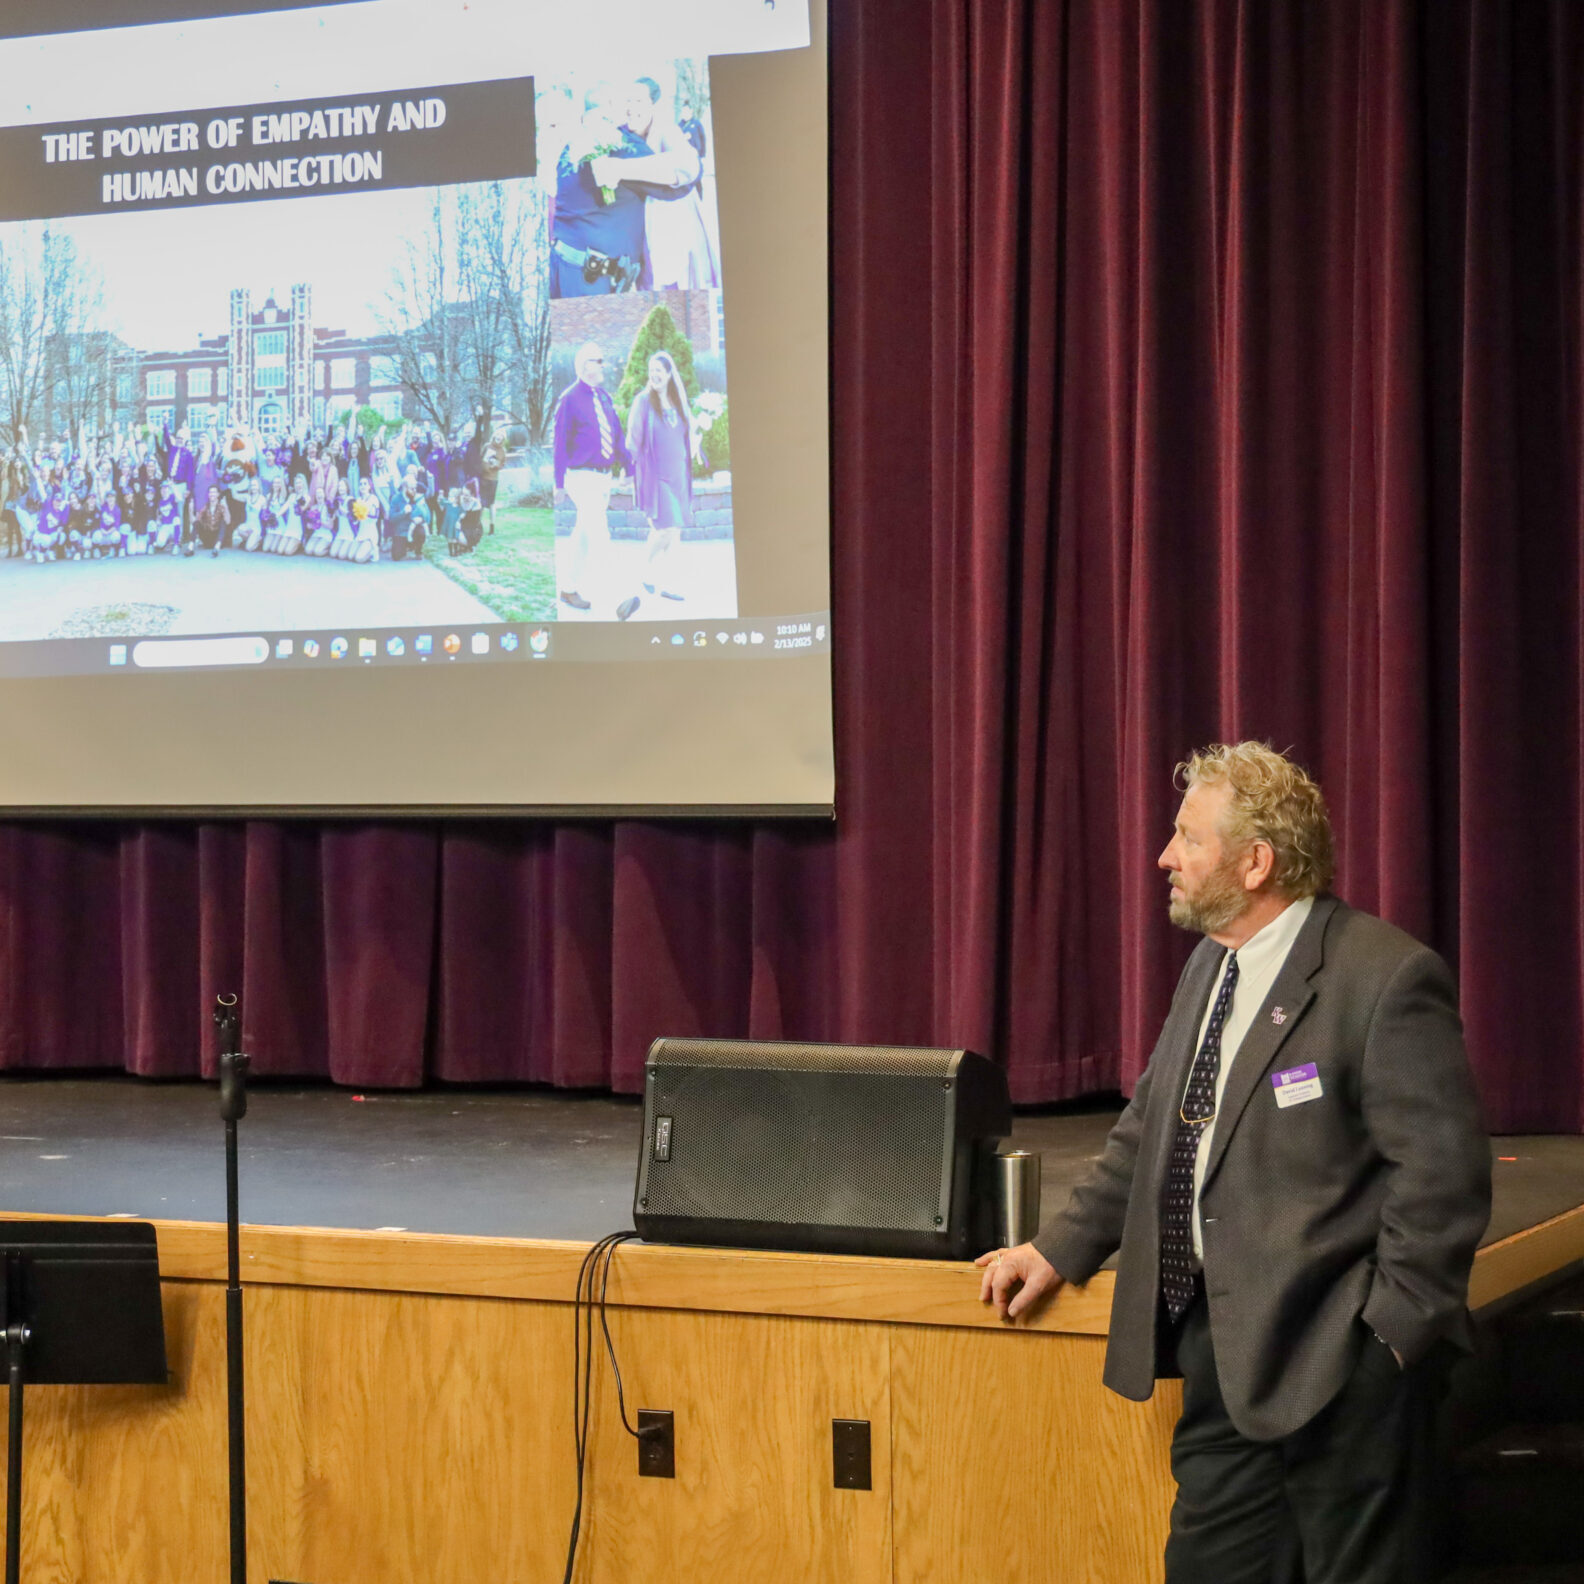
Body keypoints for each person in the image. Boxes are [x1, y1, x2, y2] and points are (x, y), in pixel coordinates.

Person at [978, 742, 1491, 1583]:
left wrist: (1388, 1340)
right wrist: (1055, 1248)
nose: (1164, 856)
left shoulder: (1384, 977)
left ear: (1256, 862)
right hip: (1220, 1349)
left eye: (1187, 837)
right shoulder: (1211, 966)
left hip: (1340, 1360)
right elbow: (1152, 1131)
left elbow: (1443, 1181)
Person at [593, 77, 719, 290]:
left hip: (671, 229)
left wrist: (620, 168)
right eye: (628, 101)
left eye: (639, 101)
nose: (631, 108)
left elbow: (689, 166)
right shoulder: (615, 136)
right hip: (634, 233)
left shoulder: (667, 130)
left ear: (653, 105)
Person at [552, 342, 635, 619]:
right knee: (599, 532)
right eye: (598, 361)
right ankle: (619, 598)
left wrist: (628, 466)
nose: (603, 365)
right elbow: (559, 443)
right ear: (585, 366)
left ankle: (567, 588)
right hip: (581, 477)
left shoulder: (604, 398)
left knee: (584, 535)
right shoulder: (569, 399)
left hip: (603, 478)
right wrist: (559, 482)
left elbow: (617, 434)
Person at [549, 90, 652, 297]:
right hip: (594, 282)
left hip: (563, 269)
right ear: (614, 109)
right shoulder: (625, 145)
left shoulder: (569, 149)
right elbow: (678, 186)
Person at [626, 351, 701, 603]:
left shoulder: (677, 400)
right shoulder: (643, 402)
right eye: (652, 369)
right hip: (655, 475)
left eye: (660, 369)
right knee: (665, 527)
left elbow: (687, 433)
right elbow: (633, 440)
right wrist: (630, 471)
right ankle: (643, 569)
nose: (655, 374)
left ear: (669, 374)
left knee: (674, 531)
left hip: (678, 474)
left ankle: (668, 583)